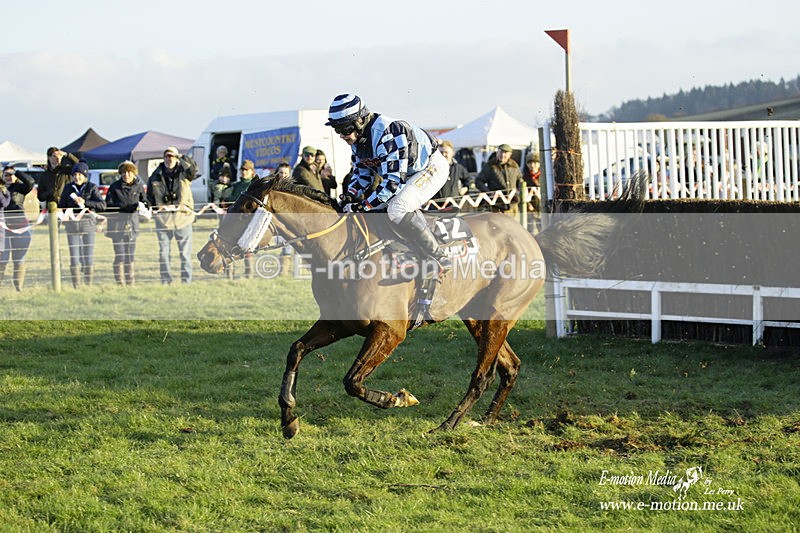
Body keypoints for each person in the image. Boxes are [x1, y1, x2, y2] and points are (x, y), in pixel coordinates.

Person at [326, 93, 451, 273]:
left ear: (360, 121)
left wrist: (364, 205)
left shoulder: (389, 132)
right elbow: (362, 174)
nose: (340, 135)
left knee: (397, 208)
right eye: (337, 130)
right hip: (406, 174)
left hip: (430, 168)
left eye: (344, 129)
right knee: (378, 209)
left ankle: (438, 256)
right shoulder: (357, 141)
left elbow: (392, 184)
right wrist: (350, 195)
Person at [147, 146, 199, 285]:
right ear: (163, 158)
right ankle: (166, 281)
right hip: (163, 220)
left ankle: (186, 282)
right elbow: (149, 197)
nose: (170, 159)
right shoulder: (155, 175)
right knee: (163, 254)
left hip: (183, 219)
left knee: (185, 255)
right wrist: (151, 209)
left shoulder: (185, 173)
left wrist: (183, 158)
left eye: (173, 156)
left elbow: (193, 169)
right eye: (167, 156)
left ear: (177, 158)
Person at [59, 161, 106, 287]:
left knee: (88, 255)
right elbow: (61, 205)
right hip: (72, 226)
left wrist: (85, 202)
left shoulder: (92, 187)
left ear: (85, 176)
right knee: (74, 257)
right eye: (75, 174)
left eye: (80, 174)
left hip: (88, 225)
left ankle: (88, 283)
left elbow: (102, 205)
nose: (77, 177)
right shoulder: (68, 188)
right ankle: (76, 285)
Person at [105, 161, 146, 285]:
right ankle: (120, 282)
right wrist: (124, 207)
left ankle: (130, 281)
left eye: (129, 172)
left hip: (132, 224)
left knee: (130, 255)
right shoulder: (114, 187)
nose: (126, 175)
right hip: (117, 225)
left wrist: (142, 207)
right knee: (120, 254)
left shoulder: (138, 186)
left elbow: (144, 200)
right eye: (123, 172)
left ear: (134, 173)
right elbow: (108, 205)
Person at [0, 167, 36, 291]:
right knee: (2, 259)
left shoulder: (20, 188)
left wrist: (17, 173)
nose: (9, 177)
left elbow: (30, 182)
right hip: (3, 228)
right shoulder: (0, 189)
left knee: (19, 259)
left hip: (20, 226)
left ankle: (18, 287)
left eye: (11, 175)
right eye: (6, 175)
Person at [228, 159, 258, 278]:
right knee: (229, 247)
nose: (244, 172)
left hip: (248, 221)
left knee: (248, 248)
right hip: (234, 221)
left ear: (252, 172)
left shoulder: (254, 186)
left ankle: (249, 274)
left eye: (247, 170)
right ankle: (229, 274)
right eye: (242, 170)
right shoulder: (236, 186)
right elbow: (230, 199)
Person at [476, 144, 524, 216]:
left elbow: (520, 179)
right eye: (501, 152)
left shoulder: (514, 165)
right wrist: (489, 193)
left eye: (505, 153)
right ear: (497, 153)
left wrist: (519, 189)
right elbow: (478, 181)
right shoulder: (490, 166)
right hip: (497, 206)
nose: (502, 155)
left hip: (512, 205)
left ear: (510, 154)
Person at [522, 151, 542, 230]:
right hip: (530, 210)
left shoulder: (544, 177)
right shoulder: (524, 178)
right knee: (531, 230)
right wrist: (529, 206)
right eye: (530, 163)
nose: (532, 165)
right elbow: (521, 194)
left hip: (543, 209)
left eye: (535, 163)